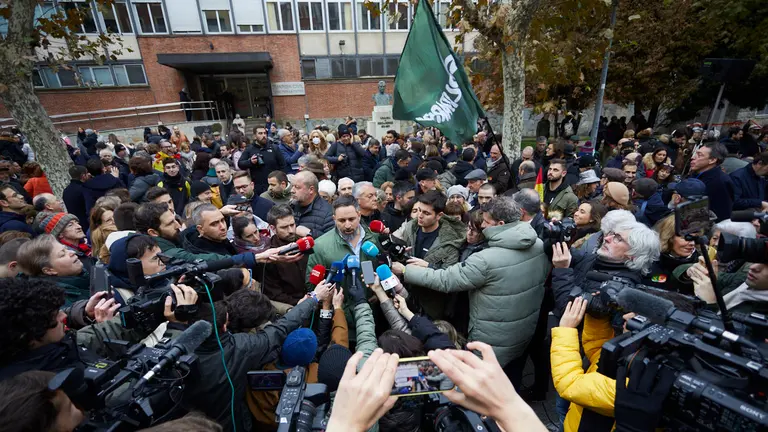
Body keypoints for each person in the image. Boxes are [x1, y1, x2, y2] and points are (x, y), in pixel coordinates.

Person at [394, 197, 550, 388]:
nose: (482, 225)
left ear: (500, 224)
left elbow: (446, 280)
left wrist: (406, 271)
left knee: (484, 387)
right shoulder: (539, 245)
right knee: (511, 380)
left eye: (485, 221)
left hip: (491, 340)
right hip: (522, 332)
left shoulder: (485, 259)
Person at [181, 282, 332, 431]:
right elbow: (281, 328)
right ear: (225, 325)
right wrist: (313, 299)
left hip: (189, 422)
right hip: (228, 423)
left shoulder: (176, 347)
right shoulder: (242, 348)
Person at [395, 191, 466, 318]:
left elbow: (449, 279)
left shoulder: (450, 242)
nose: (420, 216)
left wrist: (429, 266)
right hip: (405, 298)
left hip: (432, 306)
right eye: (419, 210)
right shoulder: (410, 228)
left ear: (439, 215)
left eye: (426, 213)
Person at [261, 204, 309, 313]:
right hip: (293, 309)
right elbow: (273, 293)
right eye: (284, 227)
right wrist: (299, 304)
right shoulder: (269, 256)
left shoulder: (304, 242)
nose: (291, 230)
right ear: (272, 228)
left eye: (292, 225)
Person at [645, 214, 698, 295]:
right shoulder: (651, 263)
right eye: (685, 238)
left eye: (694, 238)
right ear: (669, 237)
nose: (692, 243)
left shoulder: (702, 260)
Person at [688, 142, 734, 221]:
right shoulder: (695, 173)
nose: (693, 157)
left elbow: (723, 214)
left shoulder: (721, 181)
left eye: (699, 155)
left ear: (712, 160)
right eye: (695, 153)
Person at [238, 126, 287, 196]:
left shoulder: (274, 148)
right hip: (258, 187)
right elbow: (240, 164)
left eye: (264, 133)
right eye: (260, 133)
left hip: (274, 186)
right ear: (255, 136)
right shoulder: (249, 149)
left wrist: (281, 181)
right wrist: (250, 162)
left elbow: (283, 165)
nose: (263, 135)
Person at [291, 170, 334, 238]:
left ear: (311, 190)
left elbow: (332, 241)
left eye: (297, 187)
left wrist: (310, 234)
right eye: (292, 186)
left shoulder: (328, 213)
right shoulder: (291, 207)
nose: (292, 190)